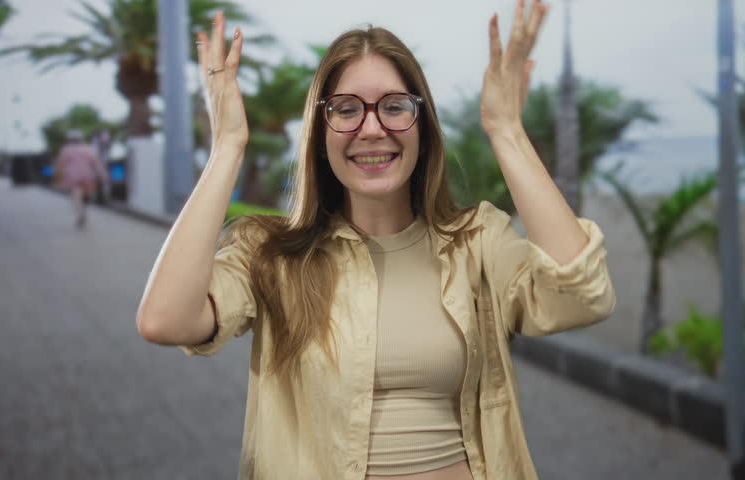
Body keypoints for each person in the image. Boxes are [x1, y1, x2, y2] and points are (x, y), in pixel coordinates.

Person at [137, 2, 616, 479]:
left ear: (422, 129)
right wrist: (226, 148)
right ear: (320, 135)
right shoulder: (271, 255)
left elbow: (581, 297)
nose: (371, 128)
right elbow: (166, 320)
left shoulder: (476, 241)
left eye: (394, 107)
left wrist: (506, 131)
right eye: (346, 109)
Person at [54, 130, 109, 228]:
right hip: (88, 177)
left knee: (76, 197)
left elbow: (60, 164)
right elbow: (96, 164)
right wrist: (103, 175)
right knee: (85, 197)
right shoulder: (88, 149)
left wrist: (58, 175)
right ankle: (83, 210)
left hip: (73, 177)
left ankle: (81, 213)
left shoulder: (66, 149)